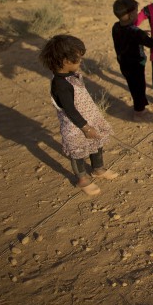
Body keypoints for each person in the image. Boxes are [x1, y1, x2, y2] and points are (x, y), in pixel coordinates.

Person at [39, 34, 117, 196]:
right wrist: (85, 127)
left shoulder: (69, 75)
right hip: (76, 125)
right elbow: (70, 110)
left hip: (89, 119)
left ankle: (98, 169)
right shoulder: (60, 85)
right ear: (65, 61)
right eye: (78, 59)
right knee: (77, 151)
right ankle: (82, 179)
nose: (81, 62)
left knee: (96, 143)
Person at [112, 0, 153, 121]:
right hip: (136, 64)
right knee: (139, 87)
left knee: (133, 85)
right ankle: (139, 112)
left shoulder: (116, 27)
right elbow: (151, 43)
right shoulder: (136, 32)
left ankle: (140, 107)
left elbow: (128, 35)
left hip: (124, 63)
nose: (138, 14)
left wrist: (141, 33)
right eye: (136, 11)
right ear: (130, 15)